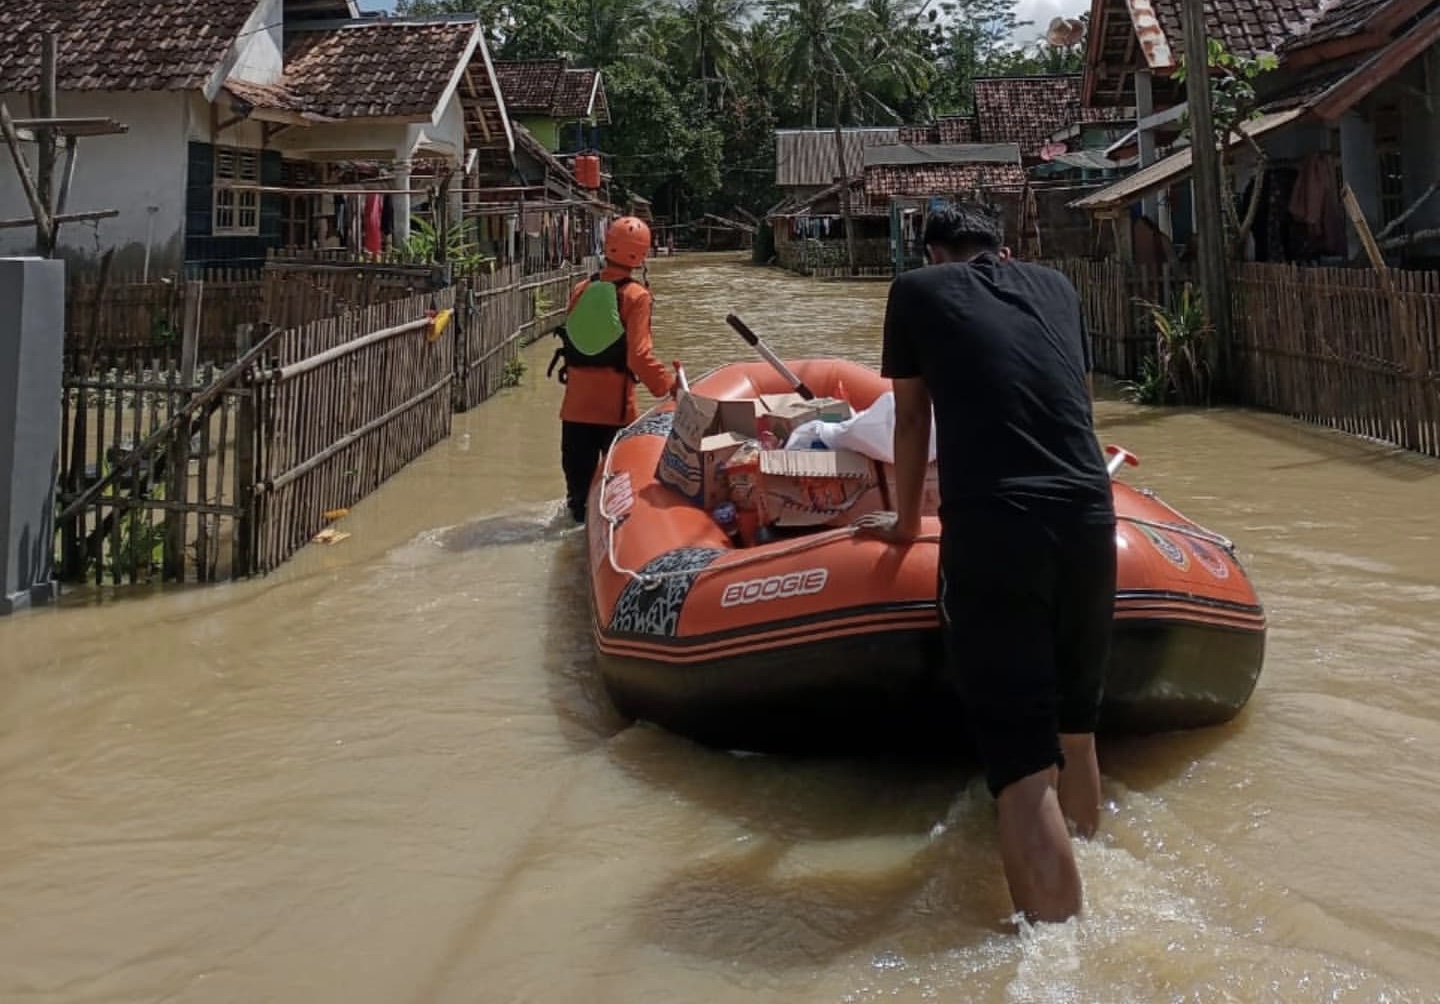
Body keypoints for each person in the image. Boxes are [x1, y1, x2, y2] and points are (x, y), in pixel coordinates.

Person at [858, 201, 1116, 924]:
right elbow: (1080, 407)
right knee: (1075, 727)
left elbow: (910, 419)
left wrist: (907, 524)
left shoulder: (916, 290)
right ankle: (1094, 879)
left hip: (999, 527)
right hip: (1092, 517)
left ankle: (1061, 959)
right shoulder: (1057, 289)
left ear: (934, 250)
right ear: (1000, 247)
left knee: (1022, 765)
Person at [550, 216, 676, 524]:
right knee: (619, 503)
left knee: (576, 505)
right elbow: (639, 357)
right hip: (615, 416)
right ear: (642, 254)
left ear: (608, 245)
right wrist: (670, 387)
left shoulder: (581, 289)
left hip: (575, 412)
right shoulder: (637, 297)